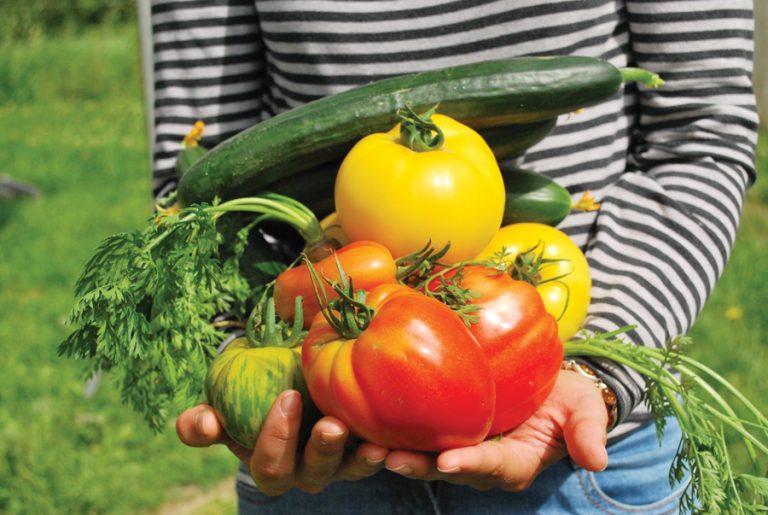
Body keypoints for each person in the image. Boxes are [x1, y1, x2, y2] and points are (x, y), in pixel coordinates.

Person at [147, 1, 758, 513]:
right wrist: (244, 363)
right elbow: (198, 183)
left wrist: (599, 373)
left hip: (584, 445)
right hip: (316, 428)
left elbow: (701, 135)